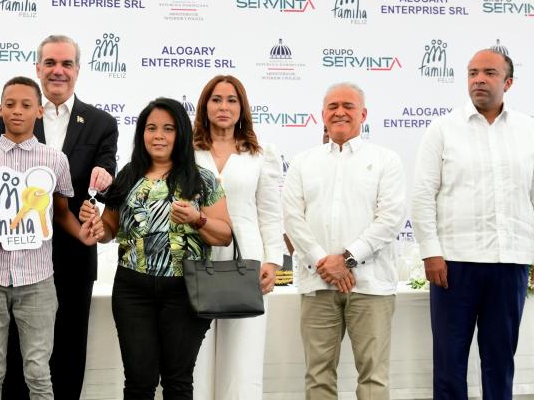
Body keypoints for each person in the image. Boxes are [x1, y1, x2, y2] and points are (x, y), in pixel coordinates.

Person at [412, 49, 534, 400]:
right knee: (449, 363)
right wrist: (431, 252)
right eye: (473, 72)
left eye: (489, 73)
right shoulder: (442, 130)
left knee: (500, 361)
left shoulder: (530, 131)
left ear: (508, 82)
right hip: (454, 265)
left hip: (510, 263)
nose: (479, 79)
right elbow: (422, 196)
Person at [78, 97, 233, 400]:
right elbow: (110, 229)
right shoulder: (127, 175)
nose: (158, 136)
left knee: (177, 381)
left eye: (168, 129)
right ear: (141, 133)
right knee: (139, 380)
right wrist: (97, 228)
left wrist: (198, 219)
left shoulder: (202, 180)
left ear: (181, 135)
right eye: (151, 128)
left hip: (187, 290)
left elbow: (224, 235)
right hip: (132, 290)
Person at [0, 35, 117, 400]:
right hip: (20, 252)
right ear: (38, 68)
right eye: (50, 63)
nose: (57, 71)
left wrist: (105, 179)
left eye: (66, 64)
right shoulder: (17, 110)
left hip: (75, 253)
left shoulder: (101, 122)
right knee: (18, 349)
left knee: (69, 346)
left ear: (78, 69)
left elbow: (106, 174)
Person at [283, 83, 405, 400]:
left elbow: (390, 219)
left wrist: (346, 260)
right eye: (332, 105)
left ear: (363, 114)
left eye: (348, 106)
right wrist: (324, 263)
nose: (340, 111)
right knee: (318, 376)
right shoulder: (302, 162)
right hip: (317, 284)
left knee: (373, 377)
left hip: (371, 285)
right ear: (322, 115)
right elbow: (292, 219)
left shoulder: (386, 160)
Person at [0, 76, 82, 400]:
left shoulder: (55, 160)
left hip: (38, 280)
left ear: (39, 112)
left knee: (38, 371)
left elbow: (60, 212)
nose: (17, 111)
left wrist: (86, 232)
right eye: (10, 104)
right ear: (0, 109)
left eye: (26, 105)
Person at [191, 75, 284, 399]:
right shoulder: (187, 153)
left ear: (242, 108)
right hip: (195, 258)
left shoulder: (260, 155)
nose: (224, 107)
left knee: (242, 360)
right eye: (216, 99)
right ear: (205, 106)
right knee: (194, 358)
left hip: (247, 261)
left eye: (232, 100)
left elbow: (271, 213)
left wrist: (273, 261)